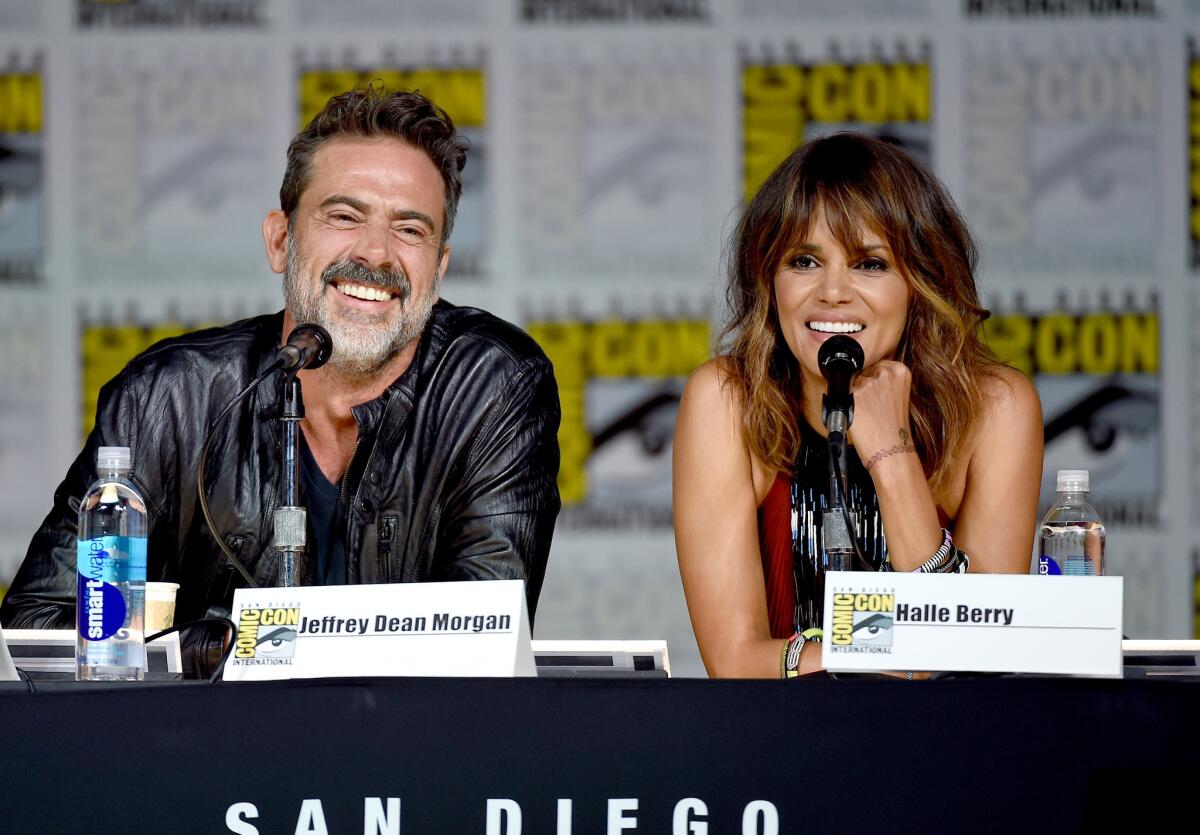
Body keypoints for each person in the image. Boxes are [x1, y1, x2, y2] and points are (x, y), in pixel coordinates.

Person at [1, 87, 561, 676]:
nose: (376, 253)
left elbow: (486, 645)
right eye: (345, 216)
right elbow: (36, 635)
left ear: (438, 269)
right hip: (204, 756)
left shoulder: (493, 387)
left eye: (410, 230)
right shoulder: (166, 399)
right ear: (280, 240)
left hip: (408, 755)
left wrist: (257, 645)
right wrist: (216, 650)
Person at [673, 133, 1043, 679]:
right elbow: (734, 661)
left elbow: (970, 656)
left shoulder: (996, 408)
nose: (832, 292)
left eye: (869, 264)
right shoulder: (725, 400)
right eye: (804, 261)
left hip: (946, 753)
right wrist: (898, 654)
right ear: (768, 280)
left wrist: (891, 455)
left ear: (921, 281)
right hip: (777, 749)